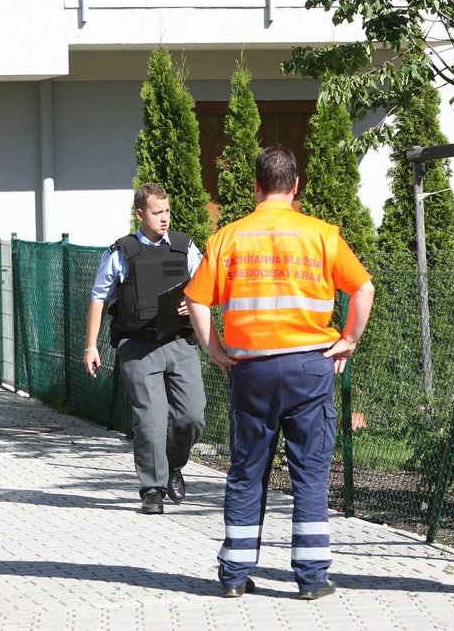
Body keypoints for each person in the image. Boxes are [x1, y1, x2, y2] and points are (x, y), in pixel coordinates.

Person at [185, 144, 375, 600]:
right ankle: (311, 579)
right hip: (310, 366)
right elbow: (363, 288)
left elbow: (196, 298)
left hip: (251, 370)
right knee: (309, 472)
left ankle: (233, 576)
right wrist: (347, 340)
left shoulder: (227, 238)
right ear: (295, 187)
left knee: (247, 471)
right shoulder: (323, 235)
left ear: (255, 186)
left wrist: (215, 350)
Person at [83, 183, 206, 515]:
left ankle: (173, 464)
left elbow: (207, 287)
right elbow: (98, 298)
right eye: (157, 213)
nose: (164, 219)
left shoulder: (184, 247)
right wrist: (90, 346)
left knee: (192, 417)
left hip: (179, 342)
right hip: (138, 347)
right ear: (140, 214)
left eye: (167, 211)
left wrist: (192, 303)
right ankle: (152, 489)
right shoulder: (121, 252)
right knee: (151, 422)